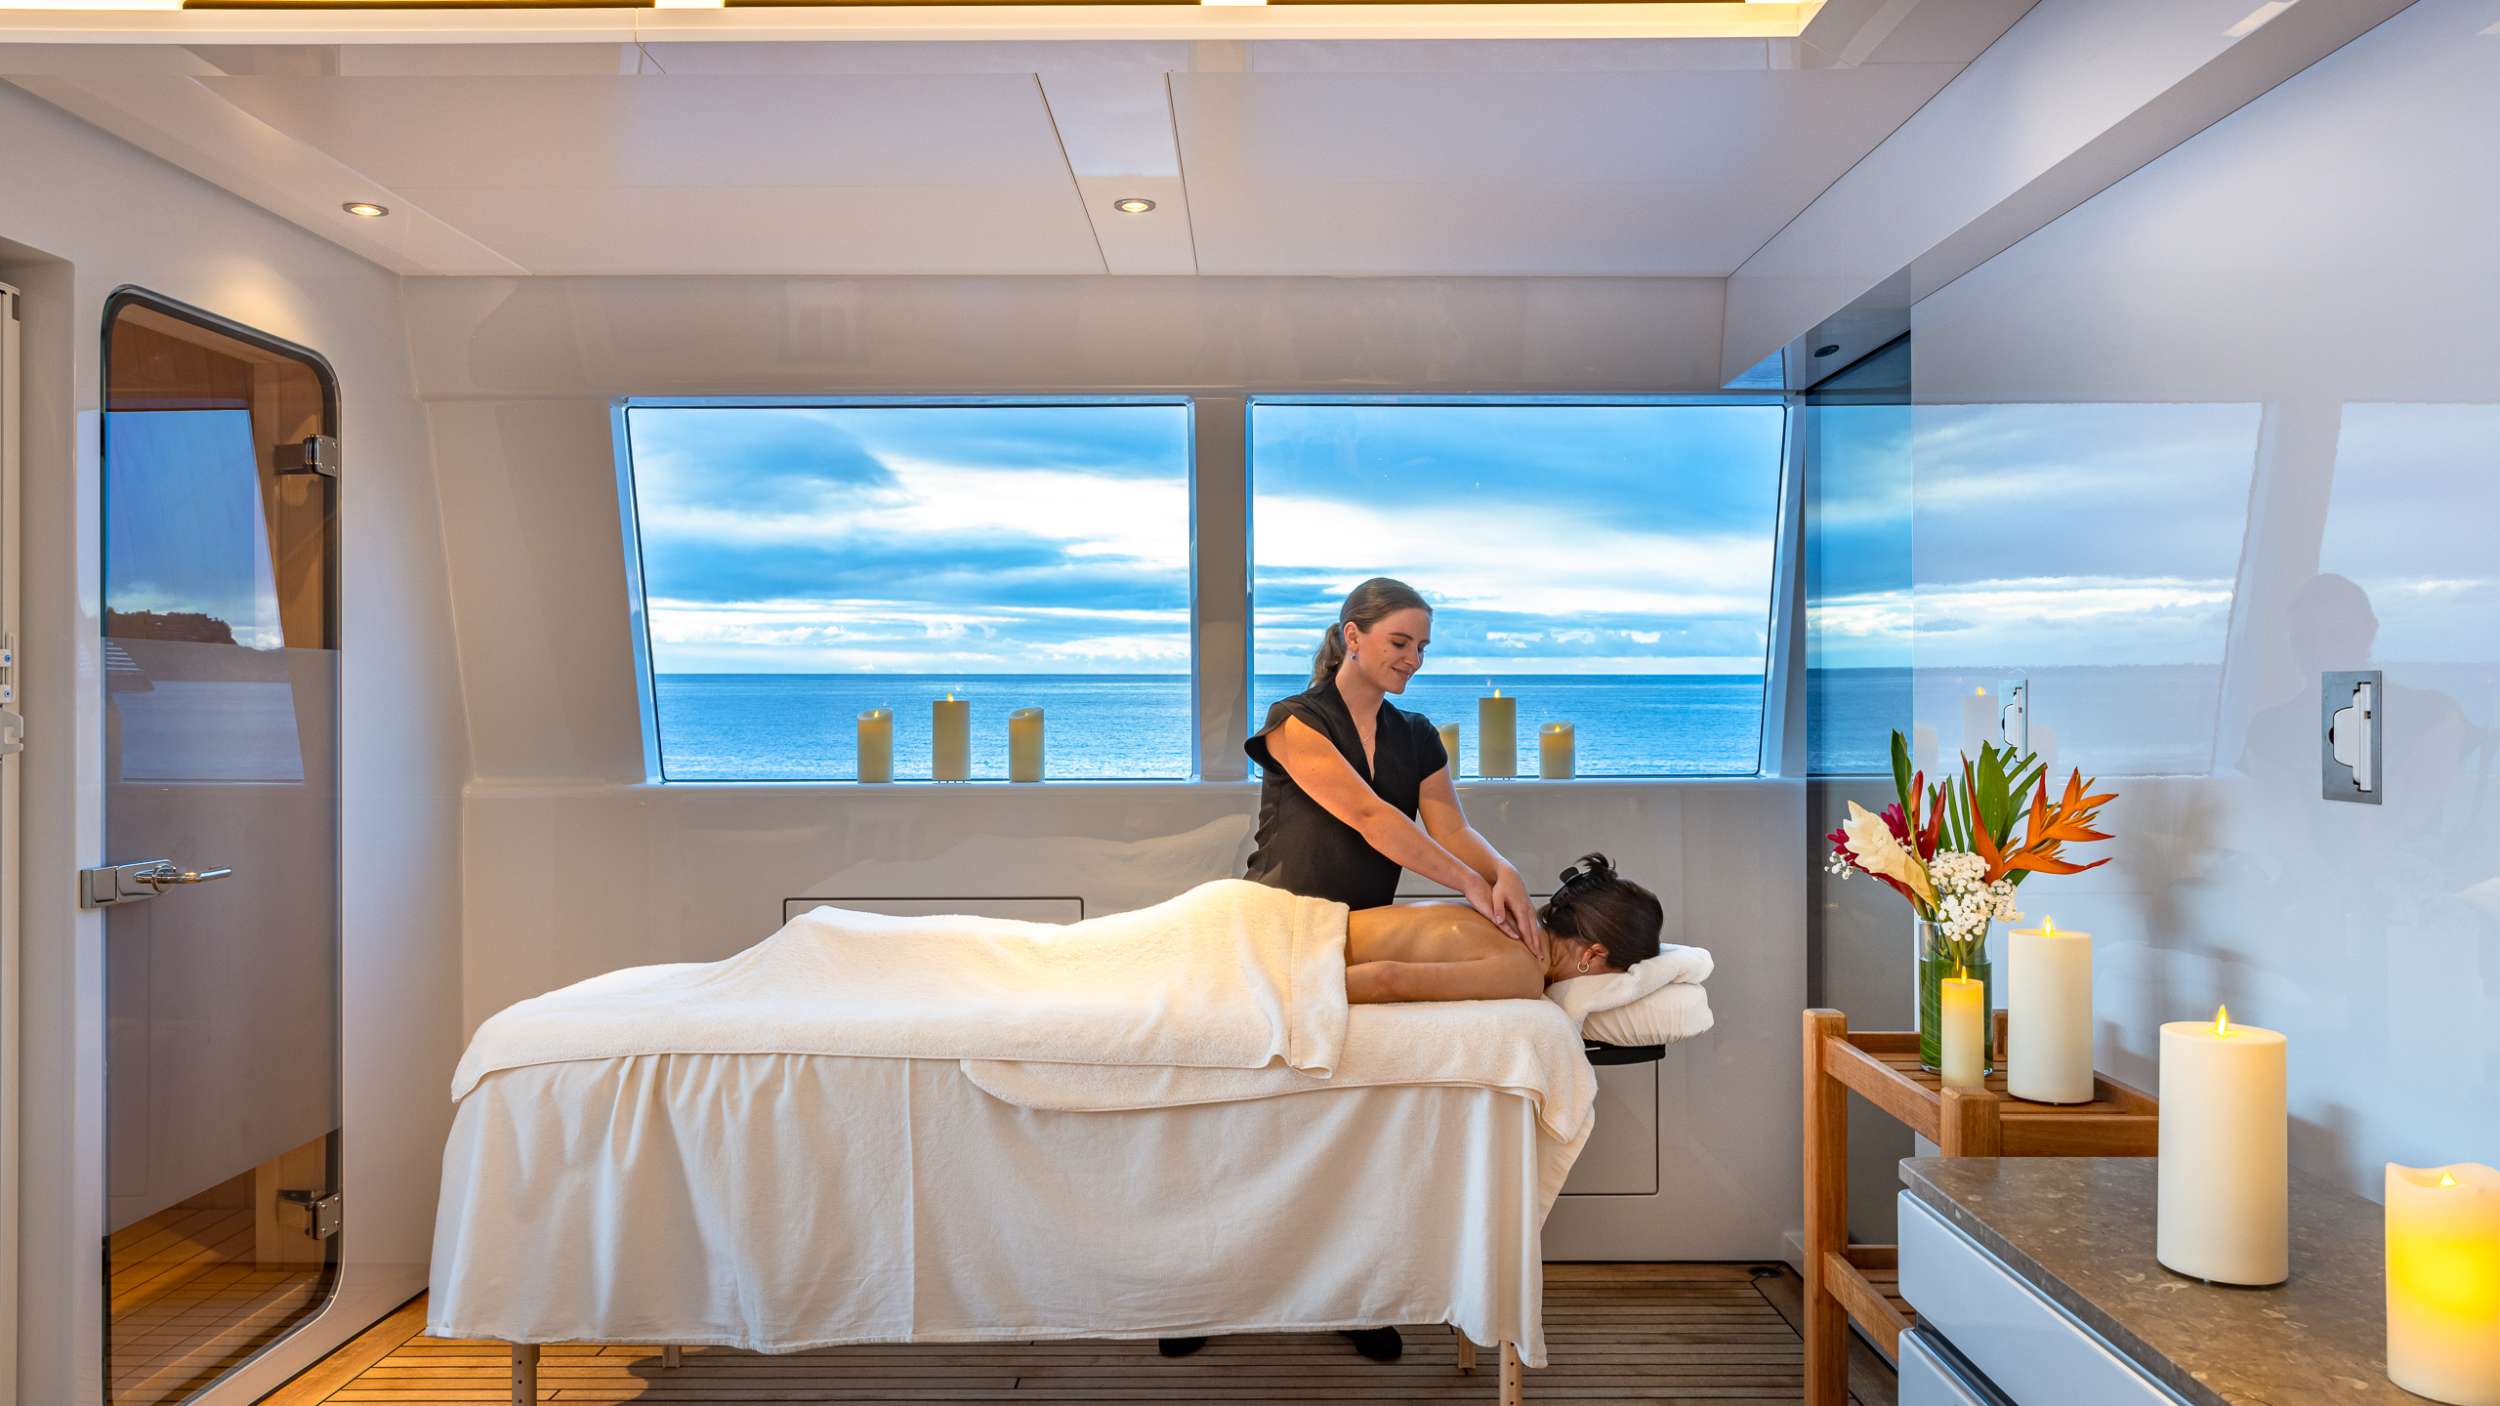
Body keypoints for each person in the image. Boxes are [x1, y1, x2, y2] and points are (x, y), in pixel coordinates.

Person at [1163, 579, 1550, 1364]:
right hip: (1276, 933)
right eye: (1400, 642)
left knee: (1348, 1125)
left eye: (1422, 647)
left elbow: (1451, 826)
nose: (1414, 659)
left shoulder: (1417, 736)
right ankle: (1204, 1292)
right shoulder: (1296, 721)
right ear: (1354, 636)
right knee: (1246, 1126)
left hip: (1359, 938)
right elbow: (1373, 819)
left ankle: (1349, 1295)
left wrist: (1503, 871)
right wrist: (1470, 887)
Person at [1345, 853, 1662, 1004]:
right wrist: (1311, 996)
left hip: (1325, 923)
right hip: (1319, 955)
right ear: (1593, 955)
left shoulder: (1509, 917)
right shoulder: (1524, 973)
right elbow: (1387, 979)